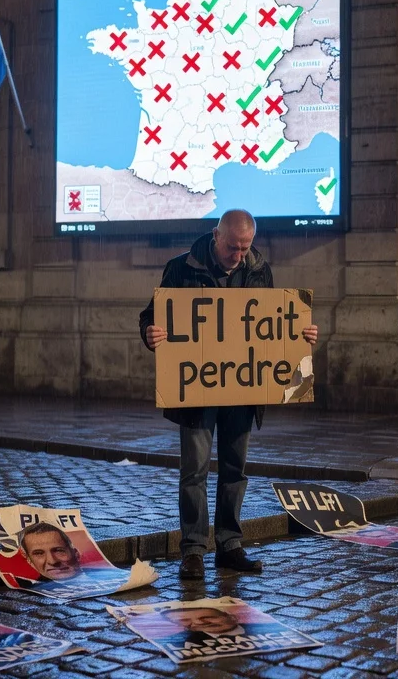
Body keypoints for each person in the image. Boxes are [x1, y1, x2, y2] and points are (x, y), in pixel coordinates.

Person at [139, 209, 319, 581]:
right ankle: (192, 550)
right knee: (195, 471)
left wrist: (299, 336)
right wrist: (151, 335)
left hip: (241, 387)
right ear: (215, 236)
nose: (238, 255)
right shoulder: (181, 268)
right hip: (197, 390)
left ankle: (229, 544)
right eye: (233, 247)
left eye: (245, 248)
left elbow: (271, 324)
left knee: (235, 471)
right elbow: (150, 316)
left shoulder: (259, 269)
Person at [158, 606, 290, 647]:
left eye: (207, 617)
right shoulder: (178, 642)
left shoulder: (267, 628)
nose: (198, 623)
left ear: (231, 617)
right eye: (184, 620)